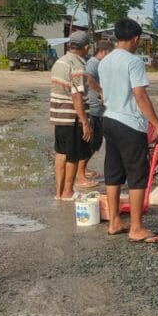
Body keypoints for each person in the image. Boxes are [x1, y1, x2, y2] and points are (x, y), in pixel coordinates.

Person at [100, 18, 158, 243]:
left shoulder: (105, 60)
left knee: (113, 173)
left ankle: (114, 222)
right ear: (136, 38)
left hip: (109, 120)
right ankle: (137, 228)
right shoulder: (133, 62)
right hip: (129, 124)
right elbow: (140, 95)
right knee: (137, 175)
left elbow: (104, 92)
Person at [50, 31, 93, 200]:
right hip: (72, 116)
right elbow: (77, 96)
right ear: (86, 47)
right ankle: (68, 191)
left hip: (59, 115)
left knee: (61, 153)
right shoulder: (77, 65)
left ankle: (58, 192)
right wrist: (85, 122)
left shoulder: (59, 62)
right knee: (73, 155)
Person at [76, 40, 113, 186]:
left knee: (95, 142)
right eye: (109, 54)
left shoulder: (98, 64)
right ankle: (80, 175)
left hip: (98, 108)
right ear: (103, 51)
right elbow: (89, 79)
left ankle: (83, 169)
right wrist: (100, 91)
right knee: (92, 142)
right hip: (93, 108)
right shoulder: (93, 63)